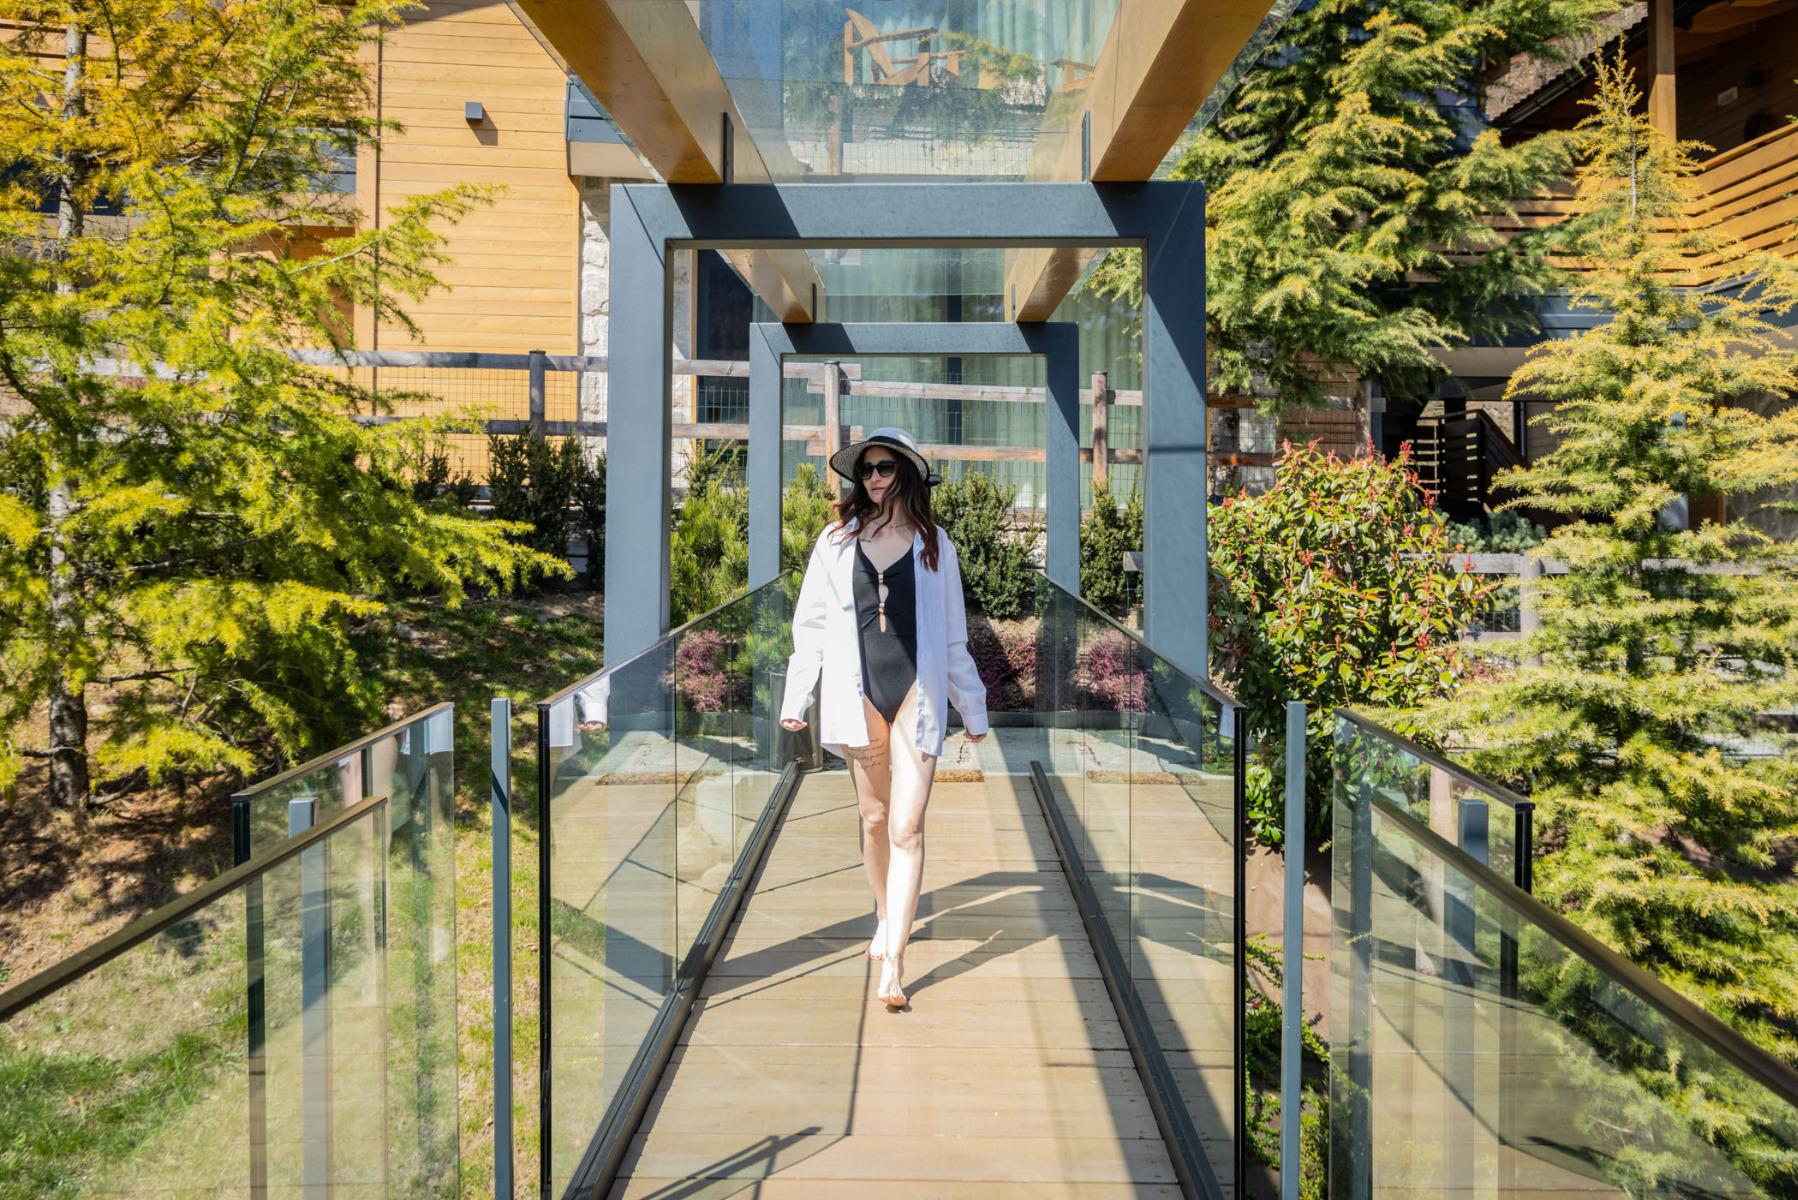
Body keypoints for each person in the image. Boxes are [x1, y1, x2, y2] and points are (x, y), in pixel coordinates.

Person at [778, 427, 989, 1010]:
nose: (872, 478)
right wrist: (797, 697)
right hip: (859, 693)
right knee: (874, 819)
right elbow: (810, 625)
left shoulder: (935, 545)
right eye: (865, 470)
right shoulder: (835, 540)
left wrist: (972, 706)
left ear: (907, 474)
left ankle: (895, 961)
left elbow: (954, 637)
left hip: (917, 693)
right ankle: (883, 912)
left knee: (907, 829)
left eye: (884, 468)